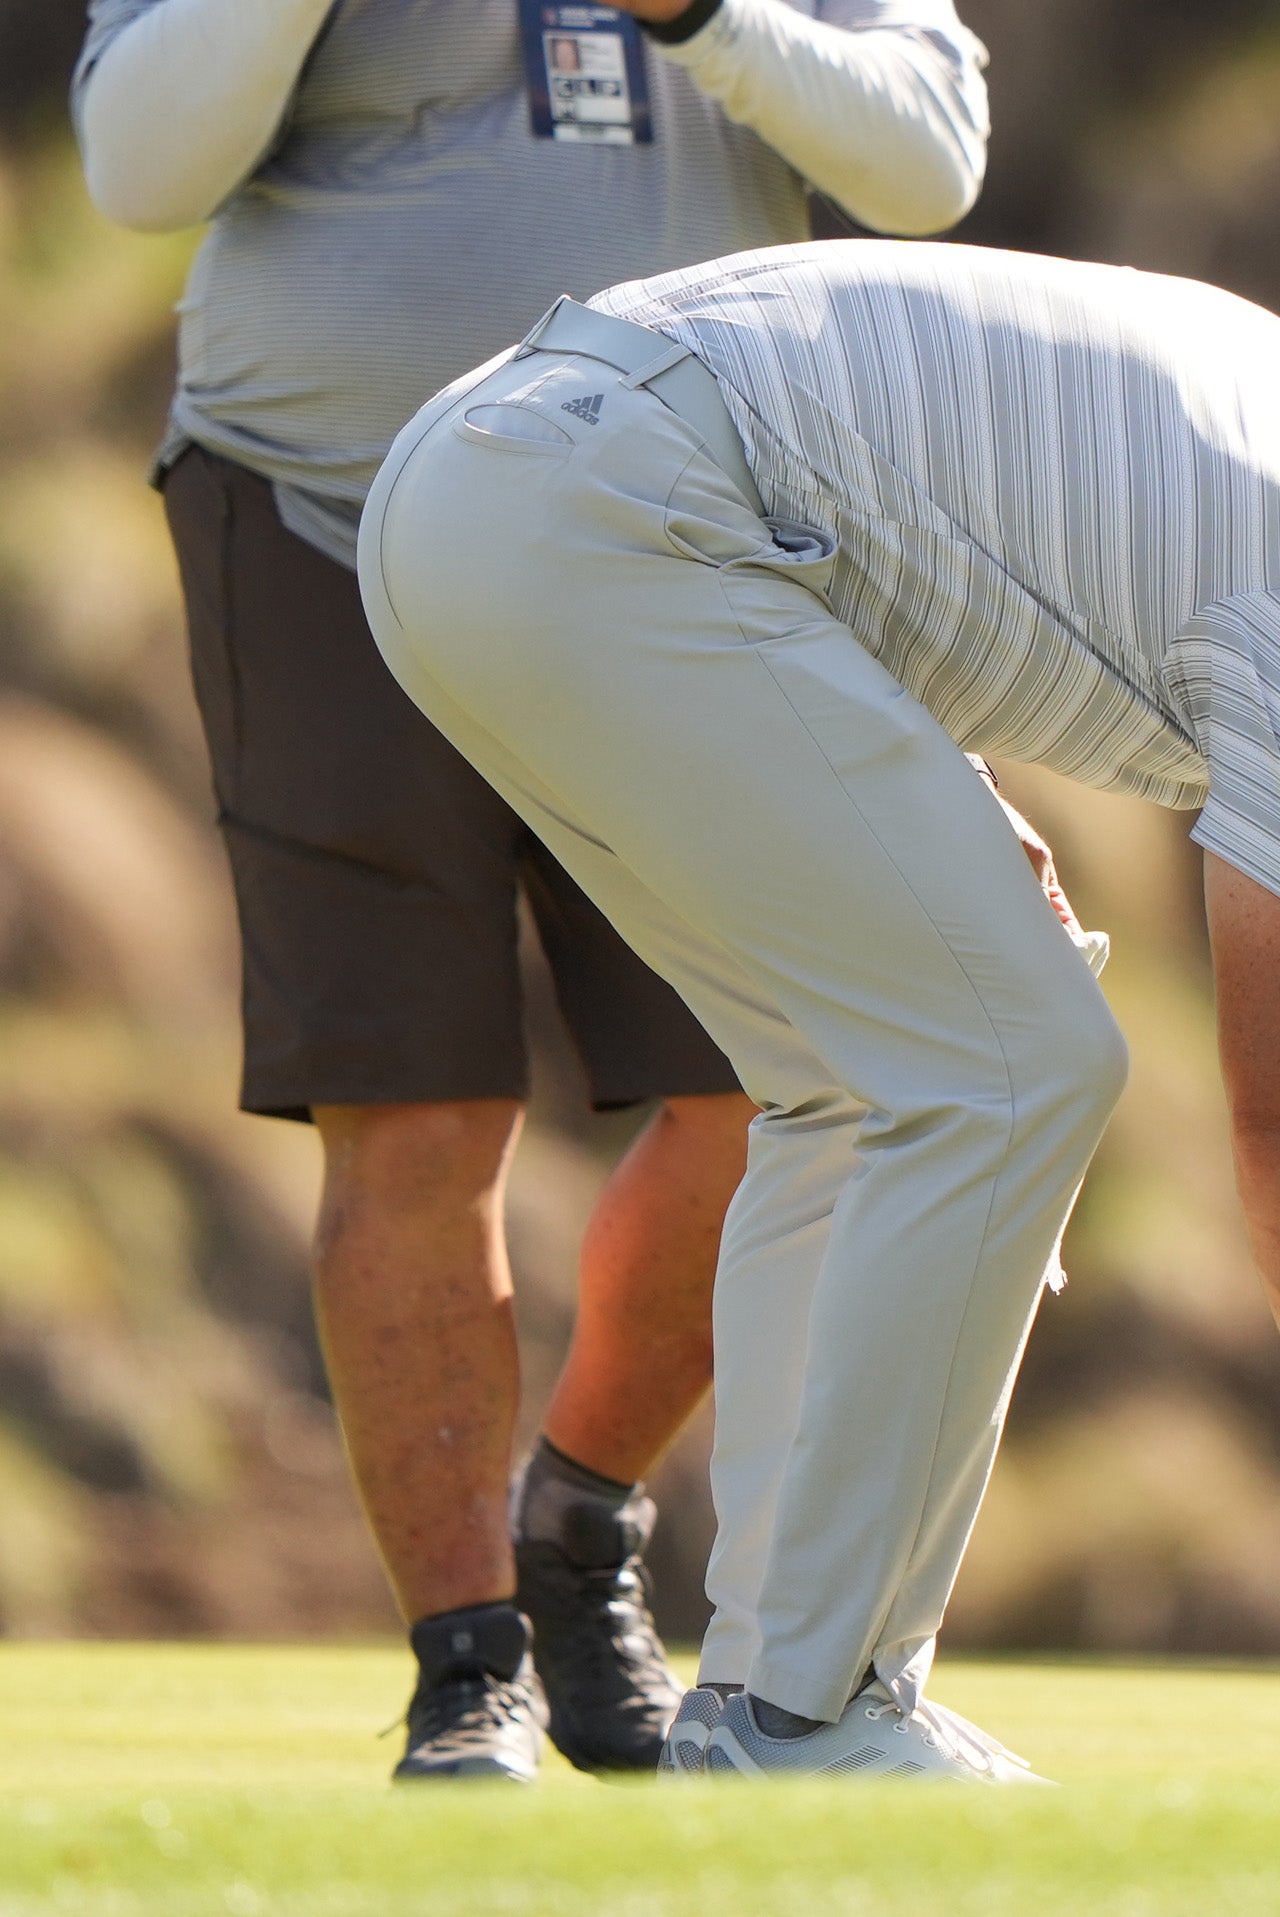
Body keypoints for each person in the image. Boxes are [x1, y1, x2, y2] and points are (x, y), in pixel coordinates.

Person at [354, 239, 1280, 1780]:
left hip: (465, 503)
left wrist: (937, 784)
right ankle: (813, 1709)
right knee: (1023, 1058)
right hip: (601, 510)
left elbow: (908, 484)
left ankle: (766, 1696)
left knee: (856, 1081)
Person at [71, 0, 993, 1783]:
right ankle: (465, 1667)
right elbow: (138, 164)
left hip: (680, 543)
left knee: (769, 1088)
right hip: (313, 515)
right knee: (416, 1116)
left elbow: (928, 160)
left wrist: (702, 16)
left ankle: (577, 1513)